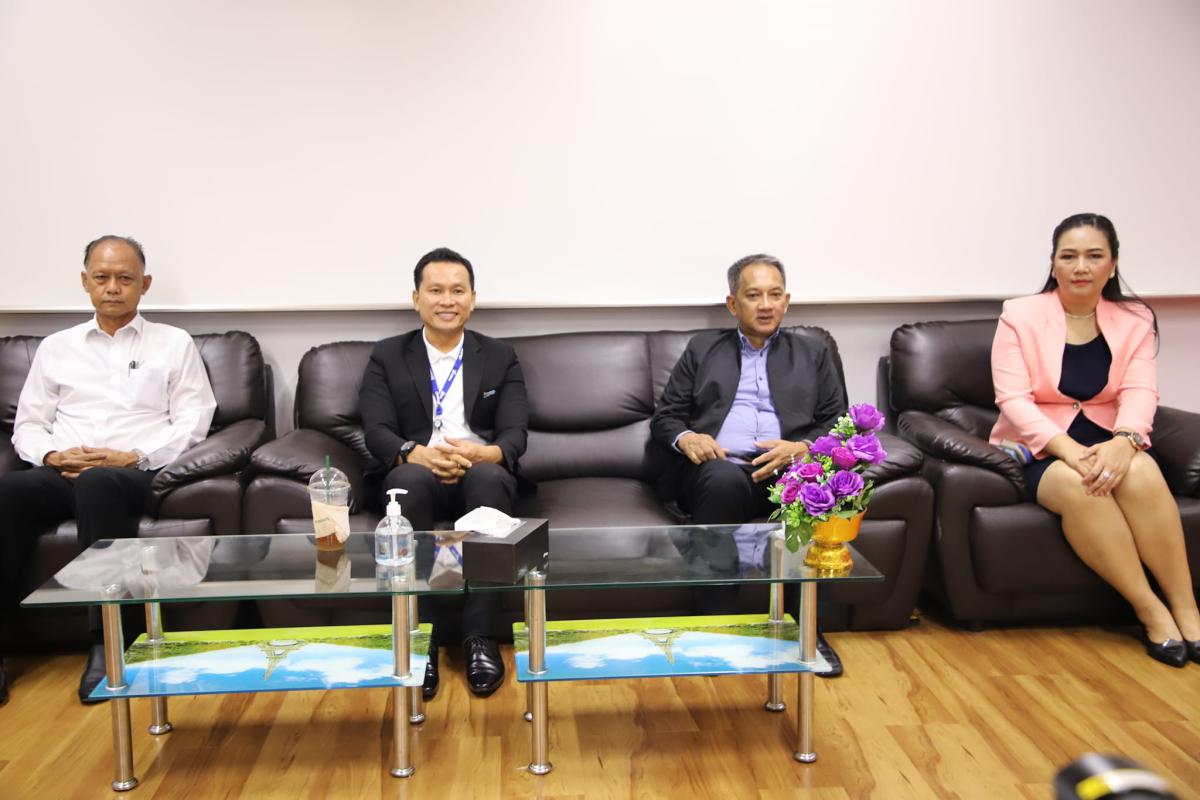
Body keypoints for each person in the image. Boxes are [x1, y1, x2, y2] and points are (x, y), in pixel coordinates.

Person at [0, 235, 216, 705]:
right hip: (62, 469)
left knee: (99, 485)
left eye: (125, 278)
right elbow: (28, 424)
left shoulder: (173, 343)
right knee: (8, 492)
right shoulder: (57, 347)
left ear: (145, 284)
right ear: (85, 282)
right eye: (102, 277)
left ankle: (109, 642)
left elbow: (193, 422)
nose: (112, 288)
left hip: (134, 472)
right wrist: (53, 456)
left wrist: (134, 455)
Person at [990, 213, 1200, 667]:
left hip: (1110, 437)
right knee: (1079, 485)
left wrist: (1125, 440)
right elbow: (1012, 398)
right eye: (1069, 256)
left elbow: (1140, 389)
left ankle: (1188, 609)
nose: (1080, 267)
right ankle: (1151, 610)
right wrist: (1067, 450)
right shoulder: (1019, 315)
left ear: (1112, 263)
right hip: (1040, 447)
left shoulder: (1135, 318)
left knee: (1143, 473)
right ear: (1053, 263)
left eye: (1093, 256)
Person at [650, 254, 848, 674]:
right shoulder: (702, 349)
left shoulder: (814, 352)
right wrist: (689, 438)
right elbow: (667, 416)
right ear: (732, 303)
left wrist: (803, 448)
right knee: (721, 481)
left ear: (787, 301)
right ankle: (714, 627)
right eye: (754, 295)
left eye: (775, 295)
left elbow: (837, 420)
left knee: (813, 488)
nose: (766, 305)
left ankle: (808, 632)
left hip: (789, 469)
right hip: (721, 468)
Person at [359, 247, 528, 699]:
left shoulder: (499, 356)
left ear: (473, 298)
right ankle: (422, 637)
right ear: (416, 298)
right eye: (436, 291)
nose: (447, 300)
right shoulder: (387, 355)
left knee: (490, 480)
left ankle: (480, 636)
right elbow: (376, 430)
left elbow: (514, 433)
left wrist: (483, 454)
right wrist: (414, 454)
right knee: (407, 484)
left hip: (478, 469)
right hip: (416, 469)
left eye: (458, 291)